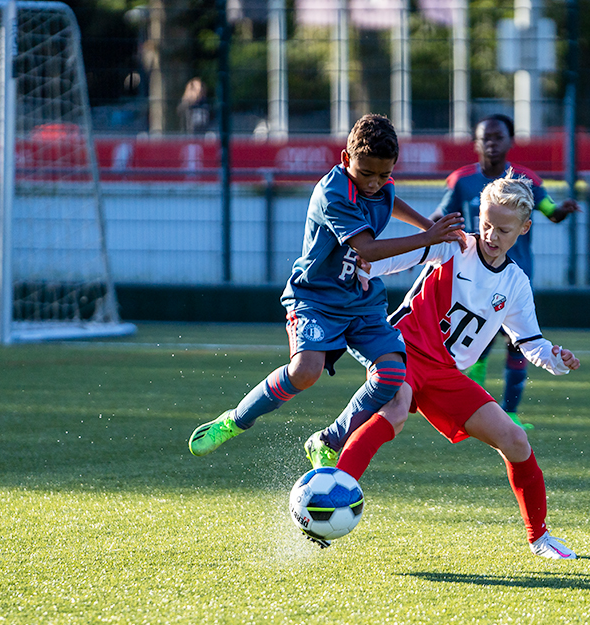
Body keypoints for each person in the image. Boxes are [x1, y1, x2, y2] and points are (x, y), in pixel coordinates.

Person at [307, 172, 580, 559]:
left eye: (503, 229)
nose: (491, 235)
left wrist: (557, 360)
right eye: (486, 224)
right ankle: (329, 502)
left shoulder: (516, 283)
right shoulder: (454, 246)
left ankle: (540, 538)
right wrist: (364, 272)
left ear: (524, 229)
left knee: (516, 440)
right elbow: (389, 259)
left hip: (447, 374)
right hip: (403, 349)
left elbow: (530, 341)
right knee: (396, 411)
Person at [188, 114, 465, 458]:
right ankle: (235, 420)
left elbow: (390, 200)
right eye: (367, 174)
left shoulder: (379, 184)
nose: (375, 183)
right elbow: (366, 248)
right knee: (305, 371)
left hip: (360, 301)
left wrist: (429, 224)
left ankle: (330, 441)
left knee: (392, 373)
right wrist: (427, 237)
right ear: (346, 159)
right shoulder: (333, 192)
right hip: (315, 298)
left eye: (385, 174)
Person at [435, 114, 580, 430]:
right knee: (478, 341)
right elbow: (441, 216)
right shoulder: (461, 181)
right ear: (475, 142)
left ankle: (510, 412)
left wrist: (560, 211)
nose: (491, 142)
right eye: (485, 137)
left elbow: (548, 211)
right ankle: (470, 403)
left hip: (516, 278)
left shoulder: (527, 180)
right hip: (474, 279)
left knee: (519, 342)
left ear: (510, 141)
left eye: (498, 137)